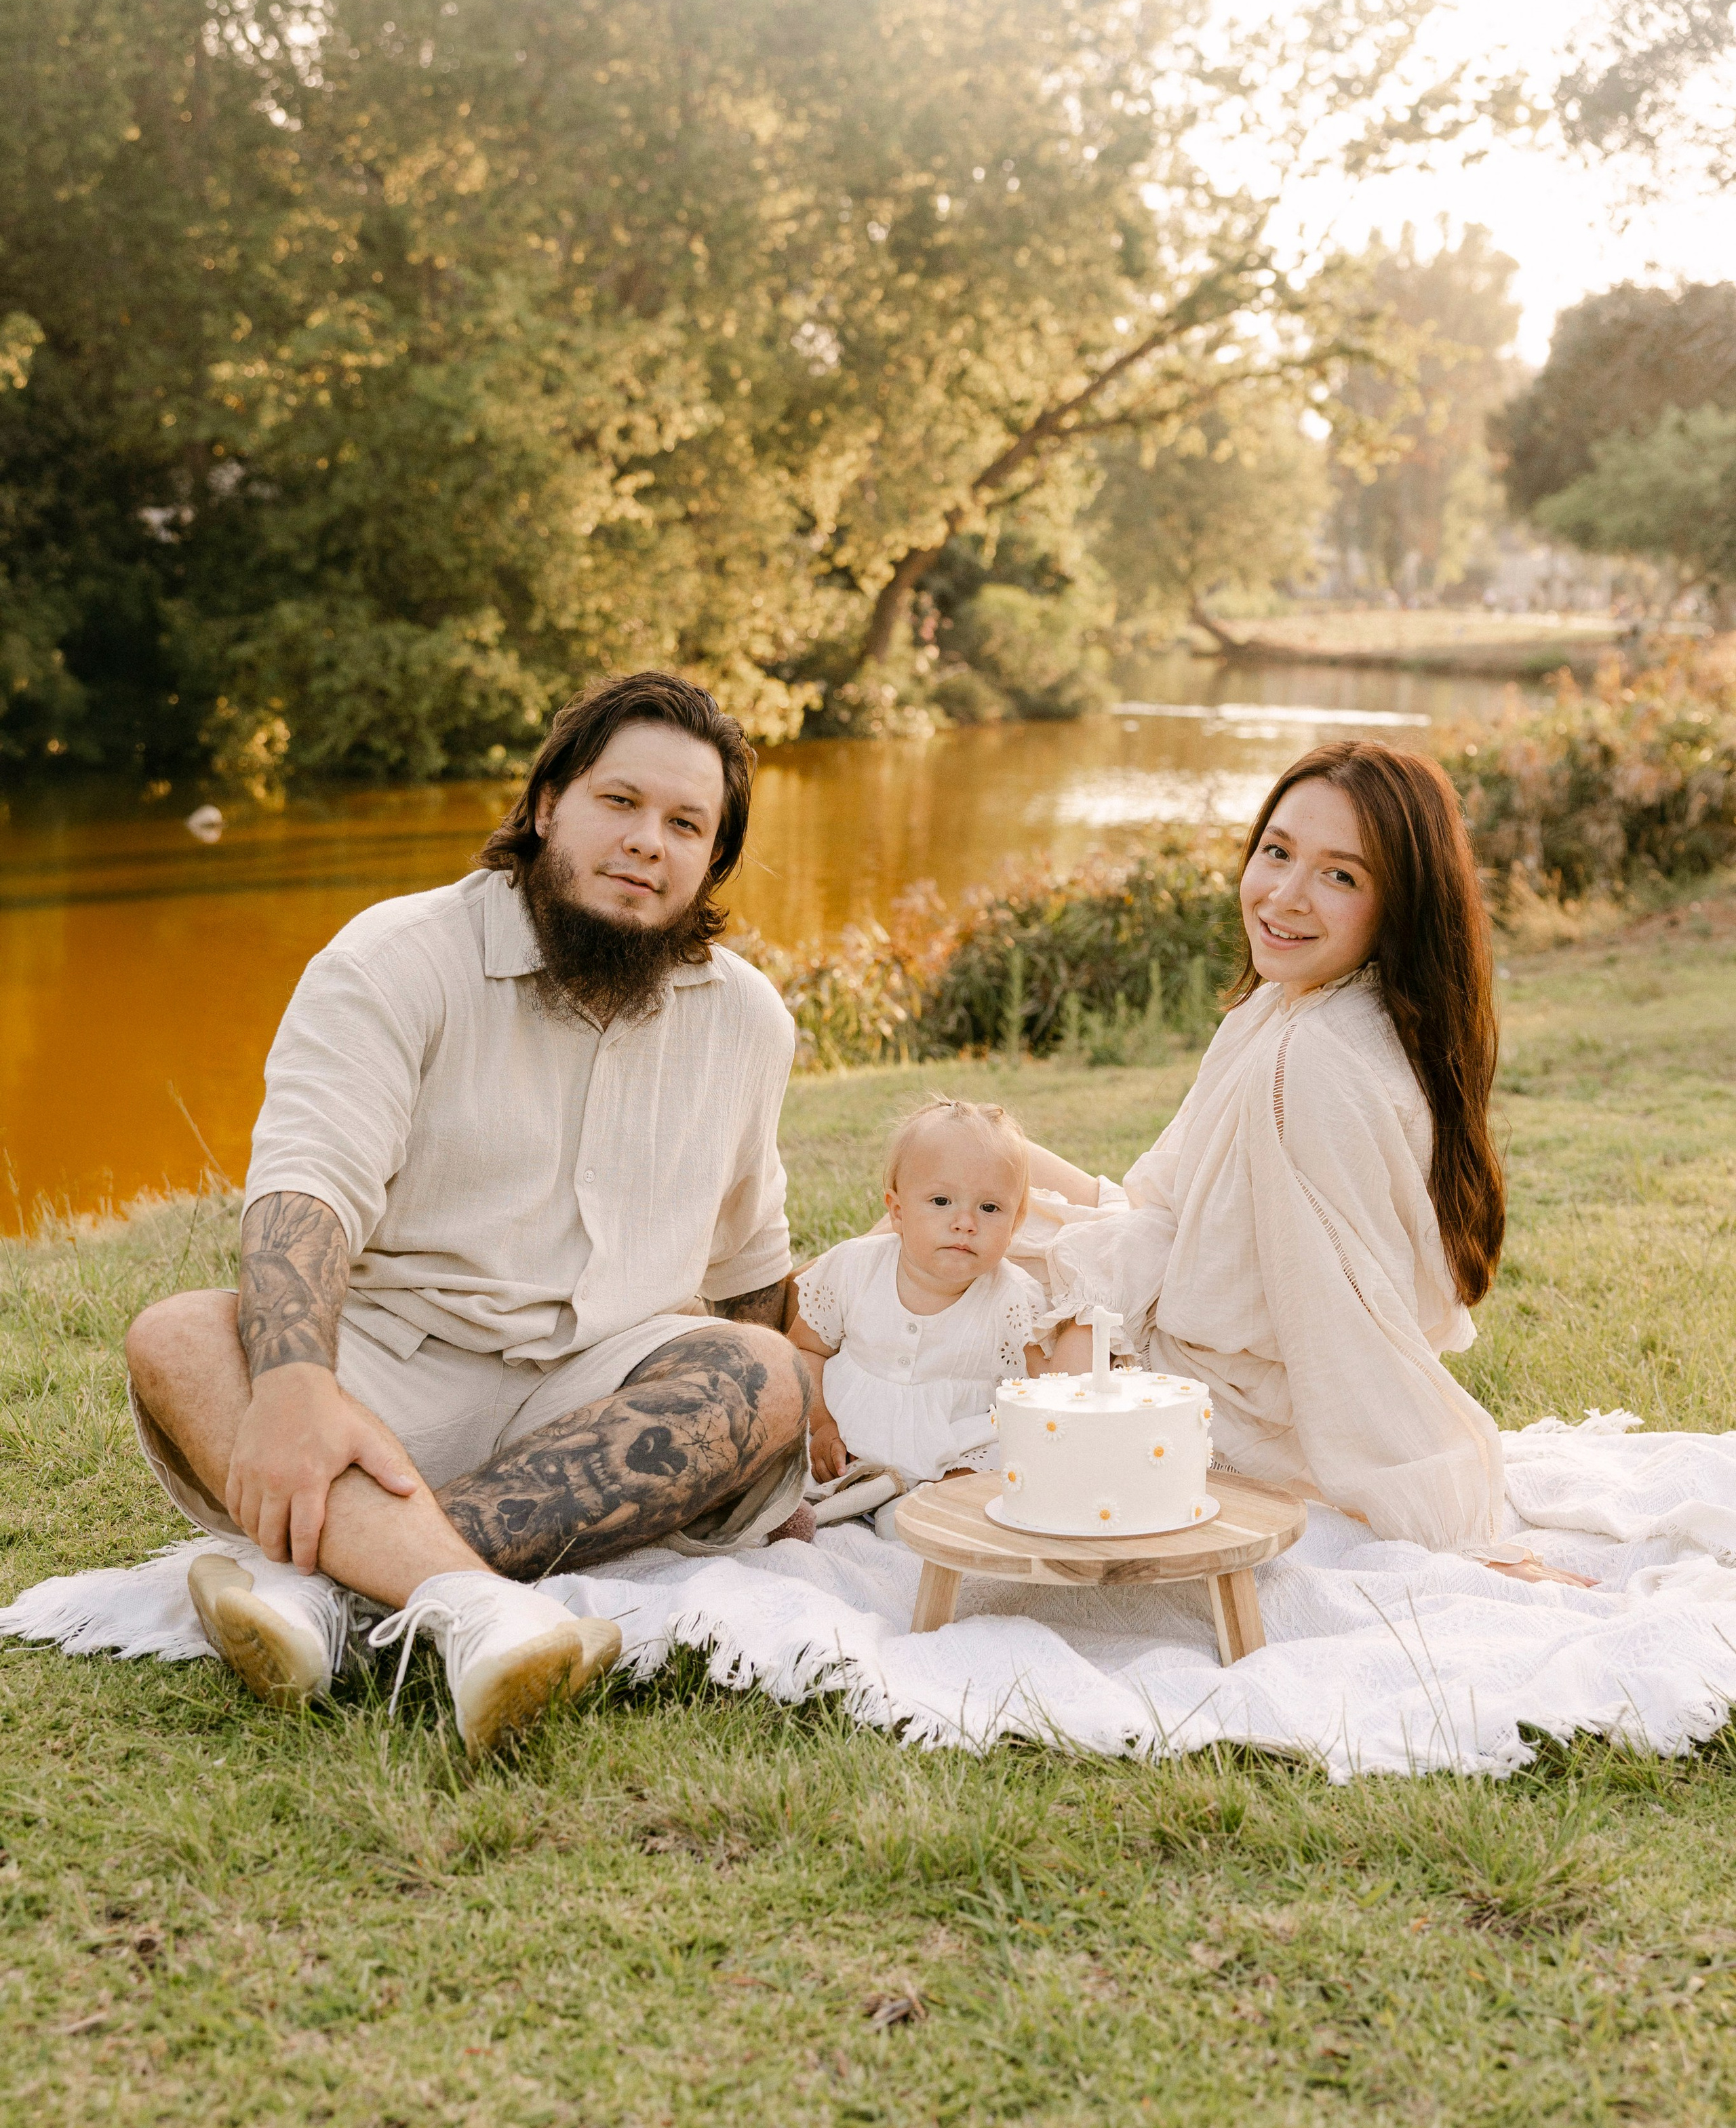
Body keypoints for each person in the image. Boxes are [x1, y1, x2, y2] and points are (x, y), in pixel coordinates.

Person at [123, 673, 814, 1756]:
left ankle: (336, 1591)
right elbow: (305, 1190)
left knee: (761, 1376)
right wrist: (301, 1381)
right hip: (390, 1374)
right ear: (548, 805)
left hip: (599, 1389)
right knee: (179, 1335)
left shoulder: (749, 1018)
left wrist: (789, 1451)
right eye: (619, 803)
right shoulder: (395, 957)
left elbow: (751, 1261)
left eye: (687, 825)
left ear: (711, 862)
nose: (648, 843)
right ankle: (477, 1607)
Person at [1027, 741, 1592, 1588]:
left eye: (1340, 876)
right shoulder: (1291, 1008)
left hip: (1219, 1407)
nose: (1283, 897)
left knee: (911, 1310)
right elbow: (1169, 1203)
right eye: (1278, 853)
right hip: (1179, 1325)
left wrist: (1445, 1531)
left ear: (1397, 908)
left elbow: (1348, 1325)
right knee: (964, 1178)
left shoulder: (1310, 1065)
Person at [788, 1097, 1045, 1487]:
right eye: (941, 1202)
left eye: (990, 1208)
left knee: (986, 1482)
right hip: (845, 1444)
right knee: (788, 1476)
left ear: (1016, 1223)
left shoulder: (1013, 1300)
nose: (965, 1223)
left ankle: (927, 1511)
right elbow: (804, 1350)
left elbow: (1033, 1399)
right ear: (898, 1210)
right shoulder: (854, 1268)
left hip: (954, 1455)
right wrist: (822, 1426)